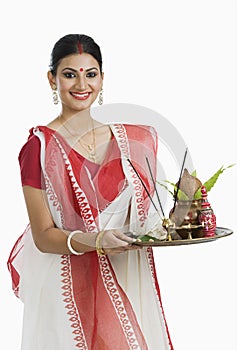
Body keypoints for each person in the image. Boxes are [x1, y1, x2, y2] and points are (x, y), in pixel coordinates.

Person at [7, 34, 173, 350]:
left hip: (123, 274)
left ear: (102, 78)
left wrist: (186, 212)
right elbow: (43, 237)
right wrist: (96, 241)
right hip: (68, 285)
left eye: (90, 74)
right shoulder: (38, 149)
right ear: (51, 78)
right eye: (70, 74)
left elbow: (148, 221)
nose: (81, 84)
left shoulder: (131, 142)